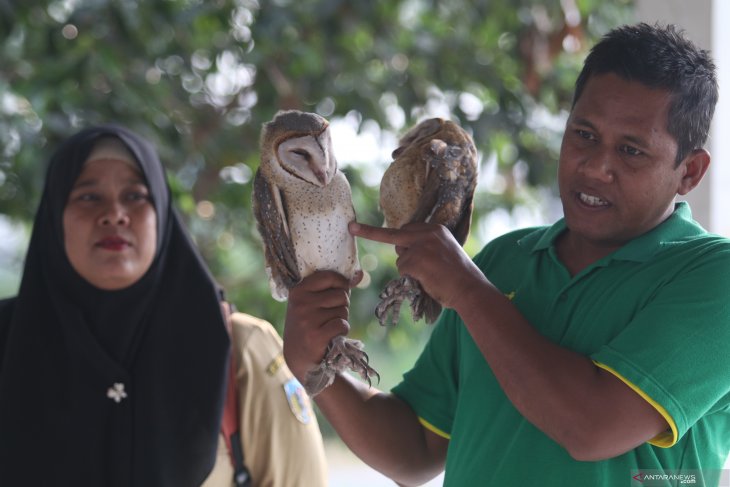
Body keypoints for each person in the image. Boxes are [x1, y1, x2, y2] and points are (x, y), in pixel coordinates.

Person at [282, 22, 730, 486]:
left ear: (689, 173)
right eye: (584, 135)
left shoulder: (713, 276)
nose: (596, 167)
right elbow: (415, 450)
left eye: (632, 150)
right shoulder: (504, 261)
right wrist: (317, 366)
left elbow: (591, 428)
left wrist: (468, 291)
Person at [0, 124, 327, 486]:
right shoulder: (9, 342)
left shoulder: (239, 350)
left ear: (162, 215)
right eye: (88, 197)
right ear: (54, 219)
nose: (115, 214)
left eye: (136, 196)